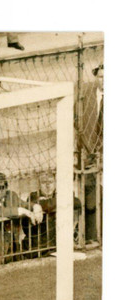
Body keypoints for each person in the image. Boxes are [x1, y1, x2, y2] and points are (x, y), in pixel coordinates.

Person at [0, 171, 41, 265]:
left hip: (12, 249)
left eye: (1, 187)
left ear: (6, 187)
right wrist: (23, 211)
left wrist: (36, 207)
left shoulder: (11, 195)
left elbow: (25, 204)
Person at [24, 170, 82, 256]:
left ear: (55, 183)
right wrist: (61, 201)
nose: (48, 185)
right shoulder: (33, 195)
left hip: (60, 243)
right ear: (39, 185)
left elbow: (77, 203)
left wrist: (49, 203)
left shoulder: (60, 193)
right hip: (41, 246)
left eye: (50, 182)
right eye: (44, 182)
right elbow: (38, 204)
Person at [79, 64, 103, 244]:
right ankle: (91, 237)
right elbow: (75, 119)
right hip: (88, 153)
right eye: (101, 77)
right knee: (90, 198)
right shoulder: (86, 92)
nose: (104, 81)